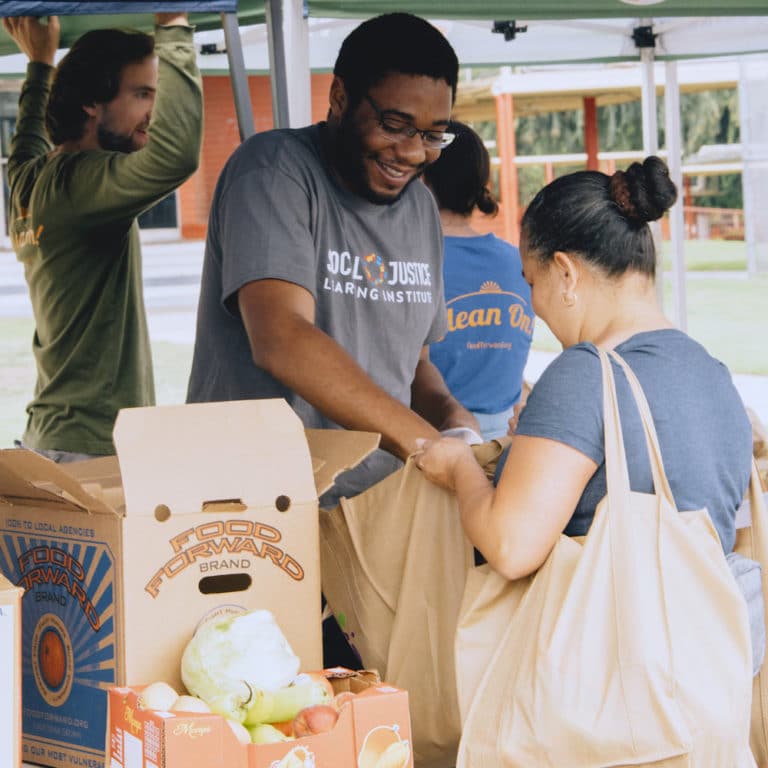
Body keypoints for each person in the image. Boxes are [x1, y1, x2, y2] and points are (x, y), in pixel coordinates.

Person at [187, 12, 479, 506]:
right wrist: (423, 443)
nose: (412, 152)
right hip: (258, 506)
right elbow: (281, 339)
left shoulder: (420, 208)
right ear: (339, 97)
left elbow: (414, 366)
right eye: (395, 124)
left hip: (375, 504)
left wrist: (451, 418)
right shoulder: (273, 172)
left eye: (434, 135)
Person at [414, 156, 752, 581]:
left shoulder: (585, 373)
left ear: (566, 273)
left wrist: (459, 466)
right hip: (700, 638)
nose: (535, 307)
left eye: (533, 282)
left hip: (608, 641)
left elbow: (511, 546)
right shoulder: (712, 372)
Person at [4, 12, 203, 462]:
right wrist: (172, 22)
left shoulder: (28, 180)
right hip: (94, 446)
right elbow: (175, 156)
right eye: (142, 94)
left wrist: (39, 63)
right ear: (92, 102)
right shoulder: (84, 185)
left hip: (52, 435)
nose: (153, 110)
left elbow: (27, 137)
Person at [423, 120, 534, 440]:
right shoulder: (518, 262)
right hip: (507, 439)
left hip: (435, 436)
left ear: (423, 181)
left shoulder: (414, 263)